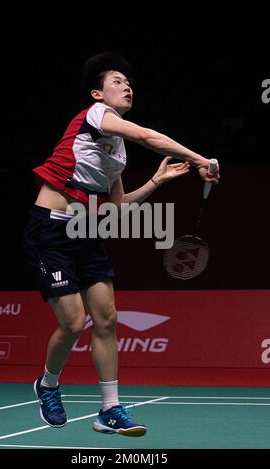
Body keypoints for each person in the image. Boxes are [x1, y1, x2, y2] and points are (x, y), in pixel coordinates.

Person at [23, 51, 219, 437]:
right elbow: (150, 136)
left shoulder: (118, 151)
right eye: (117, 82)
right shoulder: (94, 117)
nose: (127, 86)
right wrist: (201, 160)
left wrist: (156, 182)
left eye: (129, 84)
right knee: (74, 321)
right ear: (97, 94)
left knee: (107, 318)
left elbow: (115, 207)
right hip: (50, 230)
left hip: (86, 231)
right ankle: (47, 385)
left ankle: (109, 410)